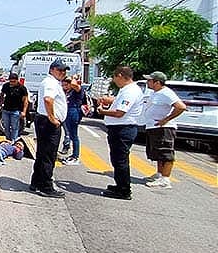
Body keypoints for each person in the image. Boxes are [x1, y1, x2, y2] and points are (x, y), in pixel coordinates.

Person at [97, 66, 145, 200]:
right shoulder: (127, 90)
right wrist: (110, 100)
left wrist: (102, 111)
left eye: (114, 77)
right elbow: (120, 104)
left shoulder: (130, 91)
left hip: (123, 129)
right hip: (120, 128)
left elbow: (120, 113)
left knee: (120, 160)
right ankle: (120, 185)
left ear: (120, 75)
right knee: (117, 159)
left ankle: (124, 190)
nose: (113, 80)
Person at [30, 59, 68, 198]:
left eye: (64, 70)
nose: (62, 73)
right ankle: (45, 186)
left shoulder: (52, 82)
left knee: (42, 154)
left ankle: (36, 182)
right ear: (52, 70)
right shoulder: (50, 82)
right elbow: (48, 99)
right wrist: (52, 118)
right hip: (48, 122)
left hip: (45, 121)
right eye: (60, 70)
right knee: (48, 155)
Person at [141, 71, 186, 190]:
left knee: (165, 153)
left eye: (149, 80)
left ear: (157, 82)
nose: (147, 82)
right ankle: (159, 174)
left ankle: (165, 179)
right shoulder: (156, 93)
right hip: (154, 127)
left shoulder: (166, 93)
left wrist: (166, 119)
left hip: (164, 128)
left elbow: (181, 107)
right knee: (158, 153)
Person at [60, 75, 86, 166]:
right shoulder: (67, 92)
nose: (64, 87)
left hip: (74, 112)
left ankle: (76, 157)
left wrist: (73, 78)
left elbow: (75, 85)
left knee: (74, 136)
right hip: (68, 112)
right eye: (63, 85)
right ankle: (73, 155)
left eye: (66, 85)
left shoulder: (77, 90)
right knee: (70, 135)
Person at [0, 72, 28, 142]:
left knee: (14, 127)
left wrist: (24, 111)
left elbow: (25, 100)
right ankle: (8, 140)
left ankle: (13, 141)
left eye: (13, 81)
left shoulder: (22, 88)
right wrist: (1, 104)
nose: (12, 83)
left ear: (17, 80)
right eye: (10, 81)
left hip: (16, 111)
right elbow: (2, 94)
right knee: (6, 127)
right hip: (6, 109)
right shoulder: (6, 86)